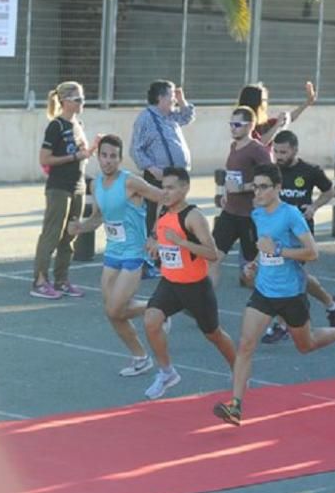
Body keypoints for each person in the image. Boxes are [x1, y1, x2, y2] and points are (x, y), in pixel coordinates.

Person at [211, 164, 335, 425]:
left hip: (292, 293)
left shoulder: (291, 214)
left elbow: (312, 253)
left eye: (262, 187)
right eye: (254, 187)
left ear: (277, 188)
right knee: (246, 344)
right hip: (264, 292)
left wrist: (279, 250)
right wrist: (256, 263)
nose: (256, 192)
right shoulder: (258, 214)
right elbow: (265, 247)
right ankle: (235, 405)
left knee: (306, 345)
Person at [67, 135, 168, 376]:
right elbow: (98, 217)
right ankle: (141, 356)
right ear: (98, 157)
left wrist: (155, 234)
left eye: (113, 156)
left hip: (134, 253)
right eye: (104, 155)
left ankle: (160, 309)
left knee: (114, 309)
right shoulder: (96, 184)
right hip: (112, 253)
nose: (108, 161)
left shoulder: (131, 182)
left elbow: (163, 198)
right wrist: (81, 227)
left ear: (120, 159)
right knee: (114, 312)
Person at [142, 167, 237, 400]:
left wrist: (182, 243)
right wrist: (154, 244)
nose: (165, 192)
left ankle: (239, 369)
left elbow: (212, 253)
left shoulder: (194, 217)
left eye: (171, 188)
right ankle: (167, 373)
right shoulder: (162, 210)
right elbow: (158, 235)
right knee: (151, 320)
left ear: (185, 188)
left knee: (213, 334)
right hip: (170, 283)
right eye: (163, 187)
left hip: (195, 287)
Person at [263, 131, 335, 343]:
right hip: (277, 232)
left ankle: (283, 324)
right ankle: (331, 303)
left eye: (283, 152)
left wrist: (314, 206)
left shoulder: (309, 171)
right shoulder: (272, 172)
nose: (278, 156)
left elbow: (329, 191)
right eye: (275, 151)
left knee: (289, 275)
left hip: (300, 232)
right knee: (293, 276)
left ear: (294, 150)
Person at [31, 81, 94, 300]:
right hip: (58, 187)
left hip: (77, 184)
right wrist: (73, 157)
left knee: (70, 235)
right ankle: (39, 281)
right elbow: (44, 158)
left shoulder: (78, 123)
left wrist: (91, 149)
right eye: (78, 99)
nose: (81, 103)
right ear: (65, 101)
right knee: (52, 234)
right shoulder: (56, 126)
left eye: (82, 98)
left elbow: (81, 153)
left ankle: (61, 280)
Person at [213, 106, 272, 278]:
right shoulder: (234, 146)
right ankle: (204, 303)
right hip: (230, 213)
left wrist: (243, 188)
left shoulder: (258, 150)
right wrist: (226, 193)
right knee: (212, 257)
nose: (233, 127)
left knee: (251, 266)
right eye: (231, 124)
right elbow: (231, 175)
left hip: (250, 216)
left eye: (237, 124)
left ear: (250, 126)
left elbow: (270, 180)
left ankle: (262, 301)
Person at [130, 80, 195, 236]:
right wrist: (152, 169)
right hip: (159, 177)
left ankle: (172, 243)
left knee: (177, 211)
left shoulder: (170, 116)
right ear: (160, 97)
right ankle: (153, 249)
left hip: (177, 176)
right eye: (171, 95)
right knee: (156, 215)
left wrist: (181, 99)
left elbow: (187, 117)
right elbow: (135, 149)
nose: (174, 99)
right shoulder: (146, 118)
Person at [237, 81, 316, 147]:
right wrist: (277, 125)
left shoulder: (265, 124)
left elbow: (290, 118)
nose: (266, 103)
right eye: (263, 100)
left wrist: (307, 102)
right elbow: (259, 143)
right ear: (255, 102)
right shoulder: (243, 124)